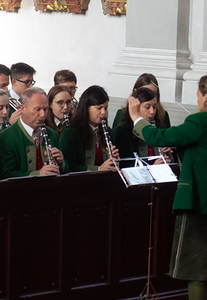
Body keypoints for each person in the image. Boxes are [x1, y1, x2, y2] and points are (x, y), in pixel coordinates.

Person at [128, 74, 207, 300]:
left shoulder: (199, 121)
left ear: (204, 96)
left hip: (199, 202)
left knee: (197, 270)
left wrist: (136, 117)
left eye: (199, 94)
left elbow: (156, 136)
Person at [0, 87, 66, 179]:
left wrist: (61, 162)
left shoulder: (52, 134)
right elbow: (5, 175)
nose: (43, 114)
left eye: (45, 109)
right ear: (23, 108)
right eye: (37, 109)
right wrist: (38, 174)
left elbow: (65, 170)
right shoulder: (5, 138)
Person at [59, 85, 119, 172]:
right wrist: (98, 169)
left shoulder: (108, 132)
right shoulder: (70, 133)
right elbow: (69, 167)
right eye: (99, 108)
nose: (104, 112)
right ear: (86, 108)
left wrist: (115, 161)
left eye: (105, 108)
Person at [113, 87, 173, 166]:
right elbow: (125, 166)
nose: (152, 112)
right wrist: (152, 167)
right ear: (135, 108)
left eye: (154, 107)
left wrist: (169, 156)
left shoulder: (160, 127)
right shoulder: (123, 131)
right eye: (147, 107)